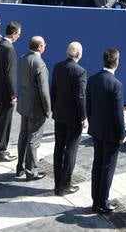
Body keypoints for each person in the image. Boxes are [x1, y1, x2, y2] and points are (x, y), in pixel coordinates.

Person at [86, 47, 126, 214]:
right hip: (111, 134)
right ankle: (103, 202)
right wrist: (122, 134)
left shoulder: (93, 79)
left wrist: (92, 123)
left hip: (96, 130)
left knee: (97, 164)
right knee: (107, 167)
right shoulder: (116, 84)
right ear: (116, 62)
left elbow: (88, 106)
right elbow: (118, 113)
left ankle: (96, 200)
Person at [50, 41, 87, 195]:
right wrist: (83, 117)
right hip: (73, 118)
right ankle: (65, 185)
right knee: (71, 150)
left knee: (59, 148)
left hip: (59, 115)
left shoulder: (58, 67)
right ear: (79, 54)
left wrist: (53, 109)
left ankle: (58, 183)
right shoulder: (80, 71)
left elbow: (53, 90)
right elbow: (80, 97)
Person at [16, 35, 51, 180]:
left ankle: (20, 167)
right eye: (44, 44)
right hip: (36, 107)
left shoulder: (23, 58)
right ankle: (31, 171)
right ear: (39, 47)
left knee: (23, 135)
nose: (45, 46)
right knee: (33, 138)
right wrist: (48, 109)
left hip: (24, 103)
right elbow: (44, 90)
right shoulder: (39, 63)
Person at [0, 20, 21, 161]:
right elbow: (10, 74)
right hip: (6, 93)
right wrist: (14, 94)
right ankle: (1, 151)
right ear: (13, 33)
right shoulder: (9, 48)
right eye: (18, 34)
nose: (19, 37)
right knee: (5, 122)